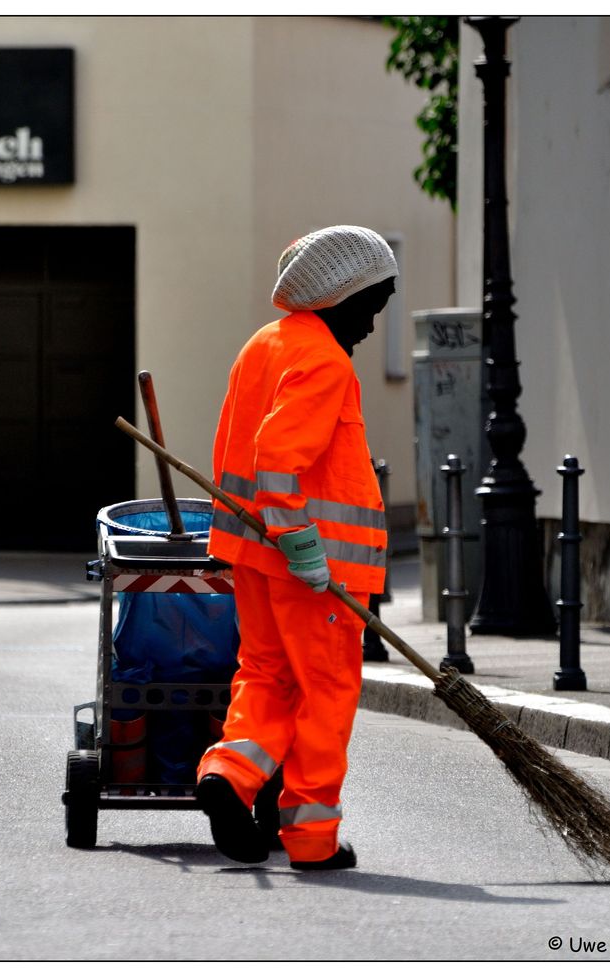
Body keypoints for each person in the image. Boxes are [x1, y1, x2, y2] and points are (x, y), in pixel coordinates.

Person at [195, 225, 398, 870]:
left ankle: (229, 774)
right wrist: (304, 547)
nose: (371, 327)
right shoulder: (323, 359)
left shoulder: (265, 345)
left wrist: (276, 538)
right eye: (370, 308)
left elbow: (240, 453)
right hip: (313, 569)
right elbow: (277, 460)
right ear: (340, 297)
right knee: (324, 693)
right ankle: (311, 839)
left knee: (265, 675)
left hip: (254, 555)